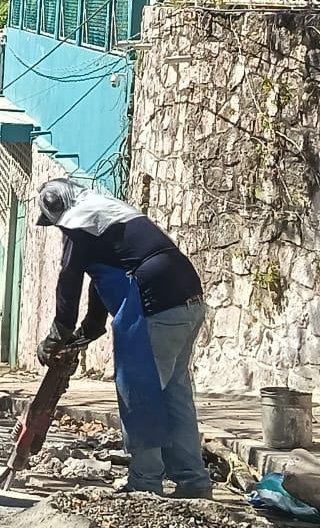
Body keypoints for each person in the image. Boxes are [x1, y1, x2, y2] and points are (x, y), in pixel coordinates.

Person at [35, 178, 211, 499]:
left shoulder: (79, 221)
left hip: (154, 302)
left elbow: (70, 278)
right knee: (174, 392)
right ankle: (193, 482)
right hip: (188, 297)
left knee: (138, 391)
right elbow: (102, 280)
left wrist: (58, 332)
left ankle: (145, 484)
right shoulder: (110, 214)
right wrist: (88, 331)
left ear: (58, 214)